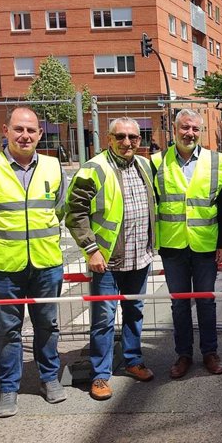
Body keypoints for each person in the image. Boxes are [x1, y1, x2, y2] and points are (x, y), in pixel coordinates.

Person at [0, 107, 67, 417]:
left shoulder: (53, 166)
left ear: (40, 134)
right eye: (18, 129)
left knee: (47, 325)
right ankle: (8, 388)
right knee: (8, 329)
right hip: (3, 267)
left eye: (31, 130)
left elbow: (59, 209)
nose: (25, 136)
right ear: (6, 130)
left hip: (46, 263)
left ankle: (49, 378)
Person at [66, 117, 156, 400]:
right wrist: (91, 249)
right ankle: (100, 375)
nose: (127, 142)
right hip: (105, 260)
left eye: (133, 137)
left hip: (139, 257)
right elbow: (75, 213)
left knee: (135, 312)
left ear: (140, 140)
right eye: (120, 137)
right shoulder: (93, 169)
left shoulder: (145, 165)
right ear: (109, 139)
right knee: (103, 319)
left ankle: (132, 361)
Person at [151, 109, 222, 379]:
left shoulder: (217, 161)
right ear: (174, 130)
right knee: (179, 304)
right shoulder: (156, 161)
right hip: (173, 245)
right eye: (185, 128)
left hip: (205, 244)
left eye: (195, 129)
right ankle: (183, 355)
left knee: (206, 301)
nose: (190, 133)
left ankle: (210, 352)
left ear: (201, 131)